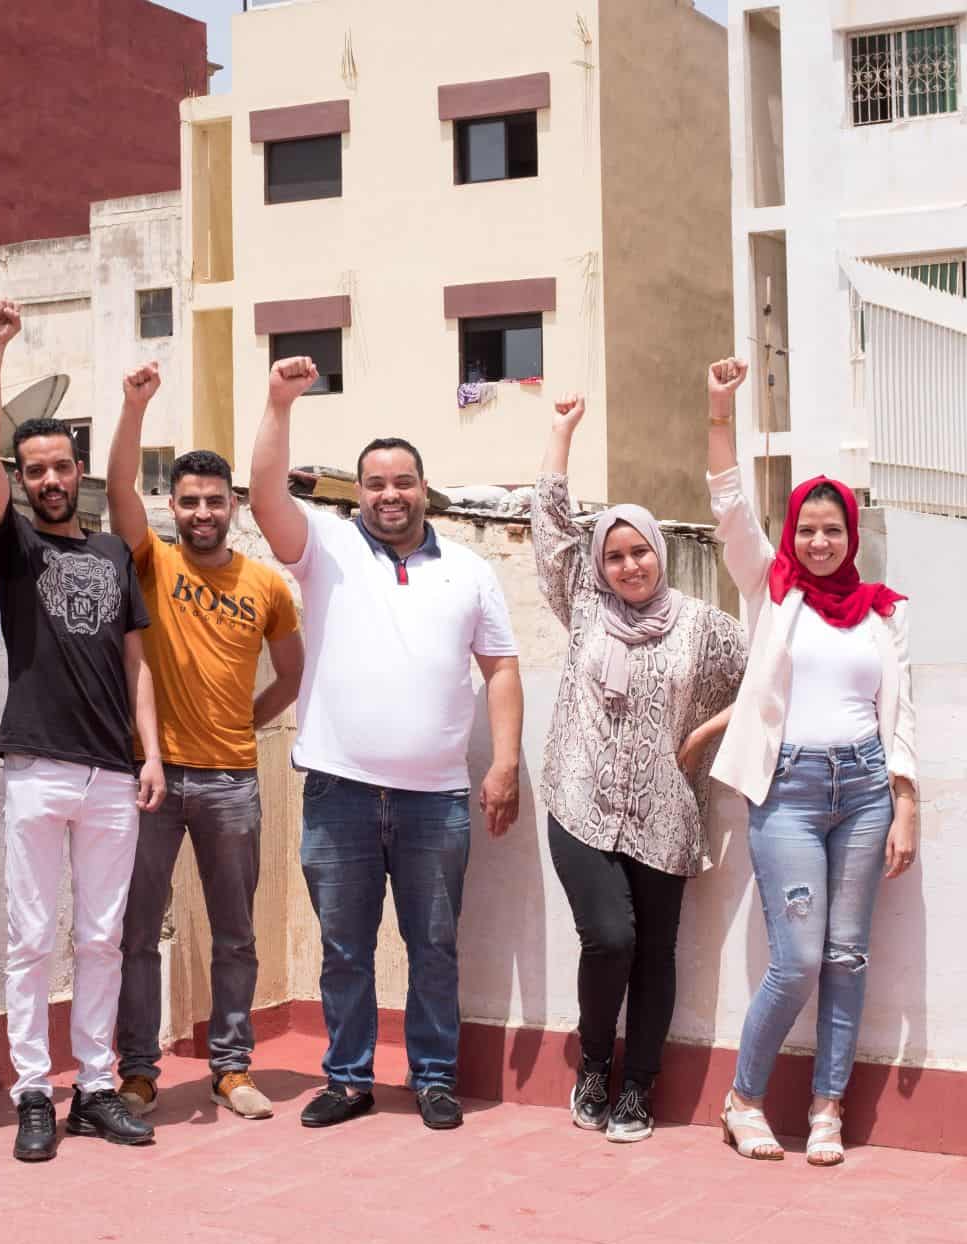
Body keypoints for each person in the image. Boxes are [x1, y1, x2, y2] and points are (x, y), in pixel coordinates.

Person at [247, 356, 523, 1131]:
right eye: (375, 483)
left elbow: (500, 669)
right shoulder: (324, 549)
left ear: (423, 489)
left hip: (437, 798)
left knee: (433, 946)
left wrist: (502, 763)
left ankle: (434, 1077)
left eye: (403, 482)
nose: (390, 494)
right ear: (358, 491)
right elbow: (266, 495)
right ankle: (349, 1077)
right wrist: (279, 403)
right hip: (339, 791)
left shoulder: (469, 571)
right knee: (344, 949)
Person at [703, 358, 920, 1167]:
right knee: (796, 959)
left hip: (864, 789)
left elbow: (902, 715)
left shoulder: (884, 615)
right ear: (791, 535)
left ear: (851, 536)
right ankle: (744, 1098)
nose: (820, 541)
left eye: (833, 530)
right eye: (808, 529)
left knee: (847, 954)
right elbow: (728, 504)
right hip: (788, 791)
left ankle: (828, 1108)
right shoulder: (772, 590)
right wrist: (720, 408)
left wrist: (907, 802)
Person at [0, 299, 165, 1161]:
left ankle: (94, 1086)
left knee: (102, 937)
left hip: (113, 775)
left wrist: (150, 752)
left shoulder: (113, 555)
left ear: (76, 470)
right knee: (31, 938)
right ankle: (32, 1093)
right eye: (33, 468)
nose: (47, 479)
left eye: (58, 467)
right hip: (40, 767)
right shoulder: (14, 547)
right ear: (21, 476)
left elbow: (138, 662)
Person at [533, 394, 746, 1143]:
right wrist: (561, 434)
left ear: (661, 552)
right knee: (611, 937)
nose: (628, 564)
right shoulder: (585, 607)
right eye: (616, 554)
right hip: (578, 798)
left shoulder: (703, 627)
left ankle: (638, 1088)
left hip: (663, 810)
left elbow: (770, 677)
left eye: (640, 551)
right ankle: (595, 1064)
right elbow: (553, 531)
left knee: (657, 952)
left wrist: (704, 736)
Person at [102, 361, 304, 1121]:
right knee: (137, 933)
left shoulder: (266, 586)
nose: (201, 513)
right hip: (152, 777)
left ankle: (230, 1067)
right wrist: (134, 408)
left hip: (232, 784)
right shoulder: (151, 562)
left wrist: (248, 721)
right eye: (188, 501)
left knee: (236, 935)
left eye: (214, 501)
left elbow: (290, 674)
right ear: (175, 508)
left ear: (233, 506)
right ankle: (140, 1071)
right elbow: (120, 488)